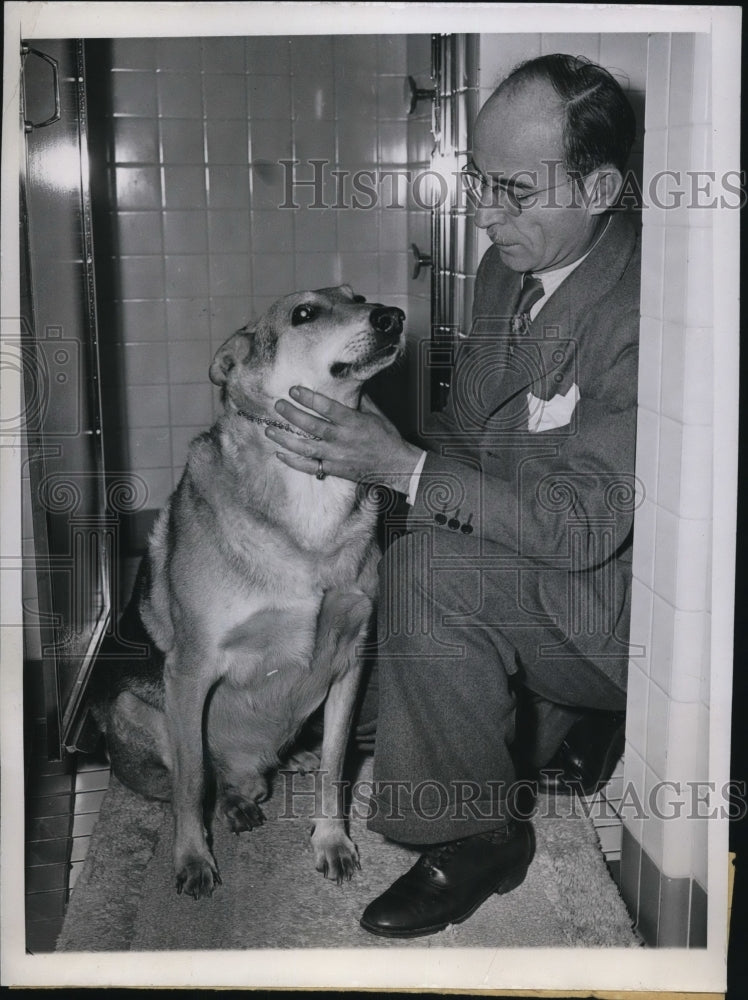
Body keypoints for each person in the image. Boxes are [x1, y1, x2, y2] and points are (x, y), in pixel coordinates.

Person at [266, 54, 640, 938]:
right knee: (387, 645)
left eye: (513, 190)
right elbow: (472, 436)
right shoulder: (510, 267)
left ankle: (476, 839)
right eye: (480, 182)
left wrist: (402, 471)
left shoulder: (644, 311)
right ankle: (552, 721)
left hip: (612, 613)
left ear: (599, 188)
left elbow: (577, 523)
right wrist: (366, 471)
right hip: (536, 571)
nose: (485, 212)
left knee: (428, 571)